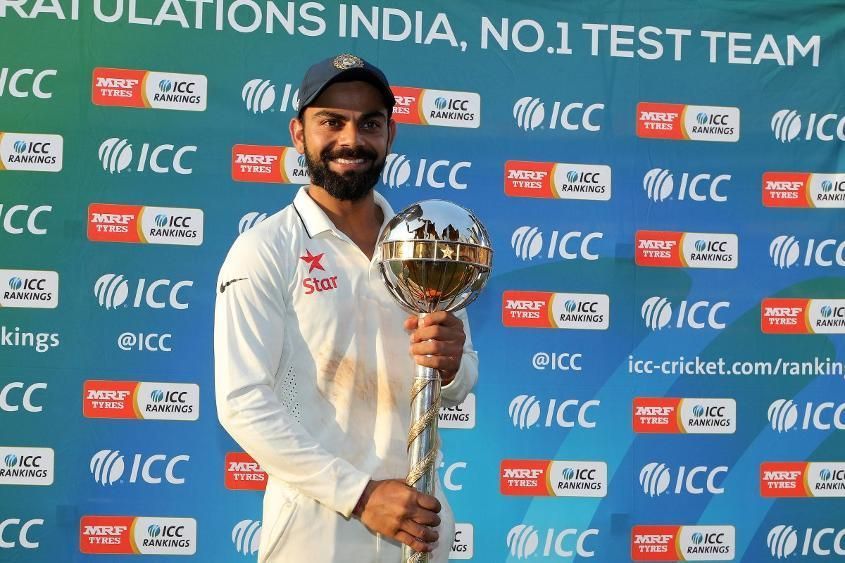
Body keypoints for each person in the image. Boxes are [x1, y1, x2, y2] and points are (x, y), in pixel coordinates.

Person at [214, 53, 478, 563]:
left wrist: (451, 365)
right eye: (331, 122)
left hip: (420, 523)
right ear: (298, 133)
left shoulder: (424, 246)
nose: (351, 140)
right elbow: (242, 401)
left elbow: (461, 382)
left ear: (390, 136)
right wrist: (360, 495)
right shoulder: (266, 248)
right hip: (316, 527)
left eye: (369, 124)